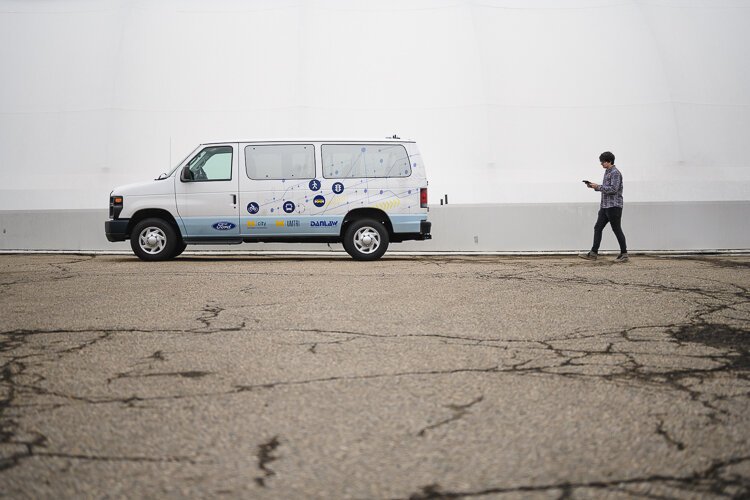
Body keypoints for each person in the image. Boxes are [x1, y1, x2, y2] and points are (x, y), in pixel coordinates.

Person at [579, 151, 628, 262]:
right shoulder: (607, 172)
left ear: (609, 161)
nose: (601, 164)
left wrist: (598, 186)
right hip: (605, 206)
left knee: (616, 229)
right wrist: (594, 187)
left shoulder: (615, 173)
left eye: (603, 162)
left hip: (614, 206)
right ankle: (593, 253)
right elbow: (606, 188)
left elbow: (613, 189)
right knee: (598, 228)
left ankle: (624, 254)